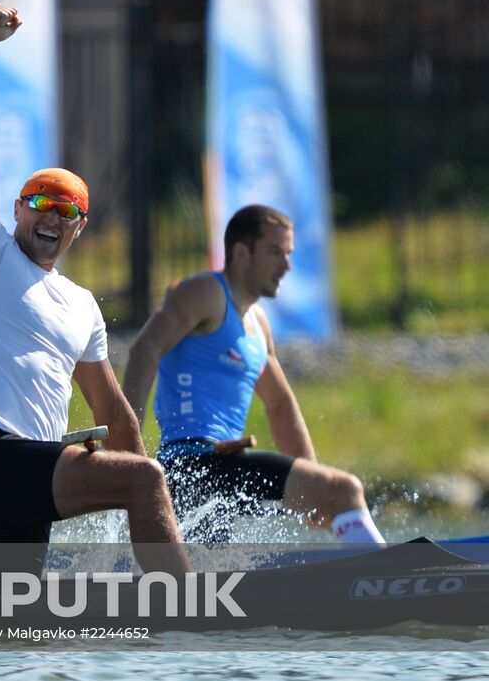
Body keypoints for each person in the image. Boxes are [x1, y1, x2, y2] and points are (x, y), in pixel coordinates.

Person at [0, 3, 190, 577]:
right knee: (143, 479)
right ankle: (191, 613)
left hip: (28, 475)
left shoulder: (81, 305)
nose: (51, 217)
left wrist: (154, 510)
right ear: (17, 209)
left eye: (66, 210)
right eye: (40, 204)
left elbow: (113, 413)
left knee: (9, 625)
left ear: (80, 226)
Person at [121, 204, 385, 545]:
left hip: (221, 473)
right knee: (344, 490)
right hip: (192, 467)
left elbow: (280, 405)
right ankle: (385, 583)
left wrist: (311, 482)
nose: (287, 265)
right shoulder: (206, 292)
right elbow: (145, 348)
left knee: (211, 582)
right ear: (242, 253)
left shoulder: (258, 324)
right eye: (275, 252)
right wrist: (128, 448)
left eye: (288, 254)